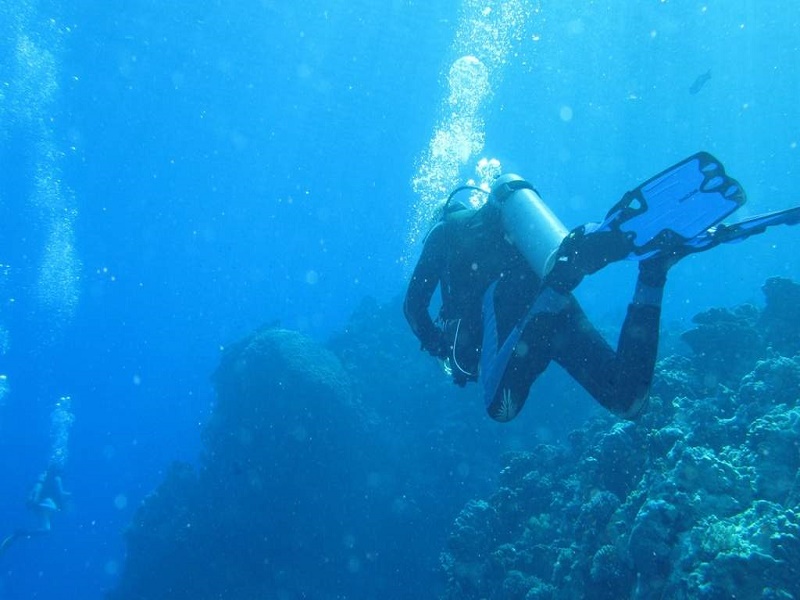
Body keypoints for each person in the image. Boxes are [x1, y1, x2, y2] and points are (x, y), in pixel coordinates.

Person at [404, 152, 776, 422]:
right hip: (545, 296)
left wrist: (437, 344)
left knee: (496, 406)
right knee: (624, 398)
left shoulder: (443, 232)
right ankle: (653, 272)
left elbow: (413, 307)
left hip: (523, 301)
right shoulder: (502, 232)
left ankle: (562, 283)